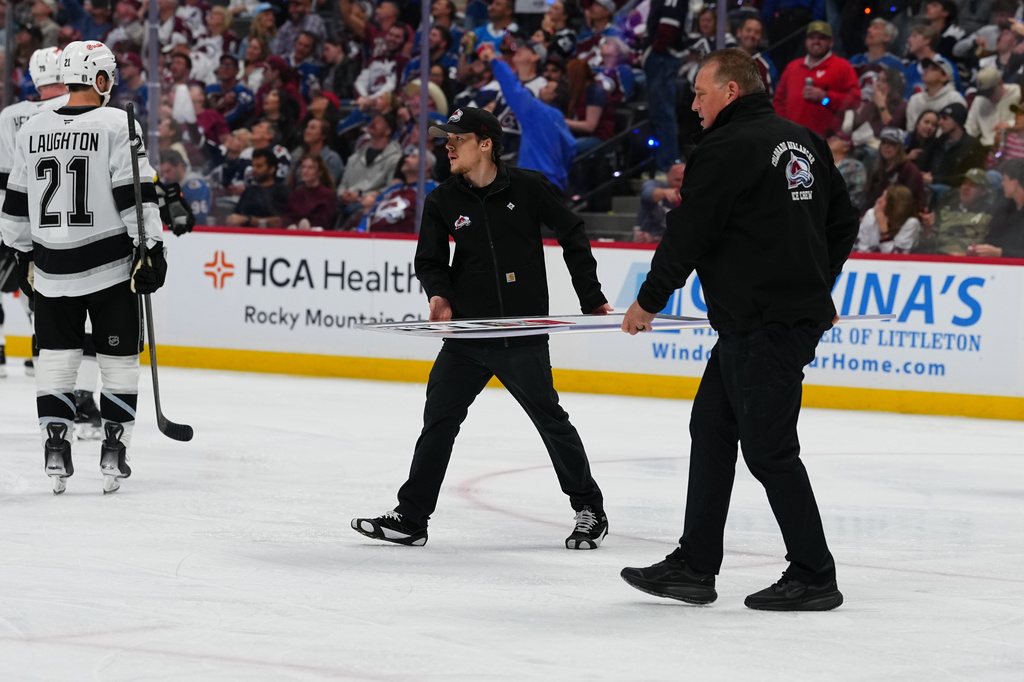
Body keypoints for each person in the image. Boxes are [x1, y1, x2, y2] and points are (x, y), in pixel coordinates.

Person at [619, 49, 857, 611]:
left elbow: (687, 236)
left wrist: (647, 302)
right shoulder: (805, 141)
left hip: (763, 326)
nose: (694, 104)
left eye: (701, 93)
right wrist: (814, 284)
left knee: (770, 452)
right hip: (758, 324)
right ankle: (695, 565)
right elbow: (842, 221)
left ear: (730, 91)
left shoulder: (724, 148)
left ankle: (815, 575)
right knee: (712, 429)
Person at [351, 107, 612, 549]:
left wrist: (591, 296)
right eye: (445, 139)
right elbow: (430, 261)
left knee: (551, 421)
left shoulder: (528, 188)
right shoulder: (443, 200)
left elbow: (572, 231)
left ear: (486, 143)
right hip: (468, 336)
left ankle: (590, 508)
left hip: (520, 336)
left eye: (457, 138)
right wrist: (440, 295)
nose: (447, 145)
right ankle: (412, 518)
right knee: (439, 421)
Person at [0, 40, 166, 495]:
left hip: (49, 265)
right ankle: (113, 450)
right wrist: (151, 246)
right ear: (99, 78)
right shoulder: (118, 122)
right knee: (118, 362)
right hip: (109, 266)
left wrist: (19, 250)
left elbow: (15, 202)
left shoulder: (32, 127)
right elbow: (133, 192)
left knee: (55, 361)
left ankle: (56, 446)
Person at [773, 21, 861, 137]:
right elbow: (779, 101)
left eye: (822, 38)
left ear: (831, 42)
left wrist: (826, 97)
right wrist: (783, 128)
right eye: (812, 37)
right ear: (806, 42)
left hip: (825, 141)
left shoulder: (842, 67)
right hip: (791, 138)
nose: (816, 42)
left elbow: (855, 100)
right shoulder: (792, 67)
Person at [355, 150, 438, 233]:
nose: (406, 159)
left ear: (426, 165)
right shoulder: (393, 190)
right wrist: (361, 231)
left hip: (405, 241)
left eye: (413, 157)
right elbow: (370, 214)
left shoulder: (434, 190)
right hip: (371, 240)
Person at [918, 167, 993, 255]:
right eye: (964, 183)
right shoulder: (944, 210)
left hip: (966, 262)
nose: (966, 188)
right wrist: (927, 230)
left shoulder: (989, 216)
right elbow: (927, 244)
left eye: (973, 185)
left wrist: (967, 256)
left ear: (983, 191)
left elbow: (986, 249)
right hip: (939, 258)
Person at [968, 157, 1024, 257]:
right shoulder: (1004, 208)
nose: (1002, 184)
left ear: (1015, 183)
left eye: (1005, 179)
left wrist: (1000, 253)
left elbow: (1000, 251)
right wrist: (981, 250)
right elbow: (994, 238)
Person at [865, 127, 927, 214]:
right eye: (884, 142)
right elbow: (868, 197)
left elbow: (910, 203)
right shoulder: (877, 168)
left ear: (900, 147)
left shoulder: (910, 170)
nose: (886, 146)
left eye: (892, 143)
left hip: (898, 218)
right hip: (873, 215)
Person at [904, 57, 966, 142]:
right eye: (926, 68)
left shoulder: (954, 99)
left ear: (944, 77)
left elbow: (956, 131)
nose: (926, 70)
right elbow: (911, 130)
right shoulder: (915, 99)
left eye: (933, 69)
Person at [226, 148, 290, 227]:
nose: (254, 169)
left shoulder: (282, 191)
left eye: (259, 166)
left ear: (272, 169)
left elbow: (279, 221)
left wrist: (248, 220)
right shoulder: (249, 191)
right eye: (254, 165)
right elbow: (237, 214)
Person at [855, 184, 923, 253]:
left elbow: (896, 258)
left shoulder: (911, 223)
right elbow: (861, 249)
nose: (879, 200)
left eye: (885, 199)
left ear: (896, 206)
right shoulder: (871, 214)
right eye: (881, 196)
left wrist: (884, 229)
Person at [966, 67, 1021, 148]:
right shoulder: (979, 100)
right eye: (984, 93)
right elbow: (970, 129)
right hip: (985, 148)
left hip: (1011, 146)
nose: (987, 96)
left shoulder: (1018, 94)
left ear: (1000, 82)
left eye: (990, 92)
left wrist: (1010, 124)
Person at [634, 160, 684, 243]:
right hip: (646, 241)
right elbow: (647, 193)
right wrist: (665, 192)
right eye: (677, 180)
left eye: (684, 180)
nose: (681, 184)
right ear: (668, 177)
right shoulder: (653, 184)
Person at [283, 155, 337, 230]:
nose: (305, 171)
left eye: (310, 168)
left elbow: (324, 221)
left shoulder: (327, 195)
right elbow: (287, 217)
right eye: (303, 167)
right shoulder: (296, 194)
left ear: (319, 172)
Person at [828, 131, 867, 212]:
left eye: (835, 139)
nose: (830, 140)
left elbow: (855, 196)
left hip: (841, 213)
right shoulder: (824, 164)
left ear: (846, 147)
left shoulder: (855, 166)